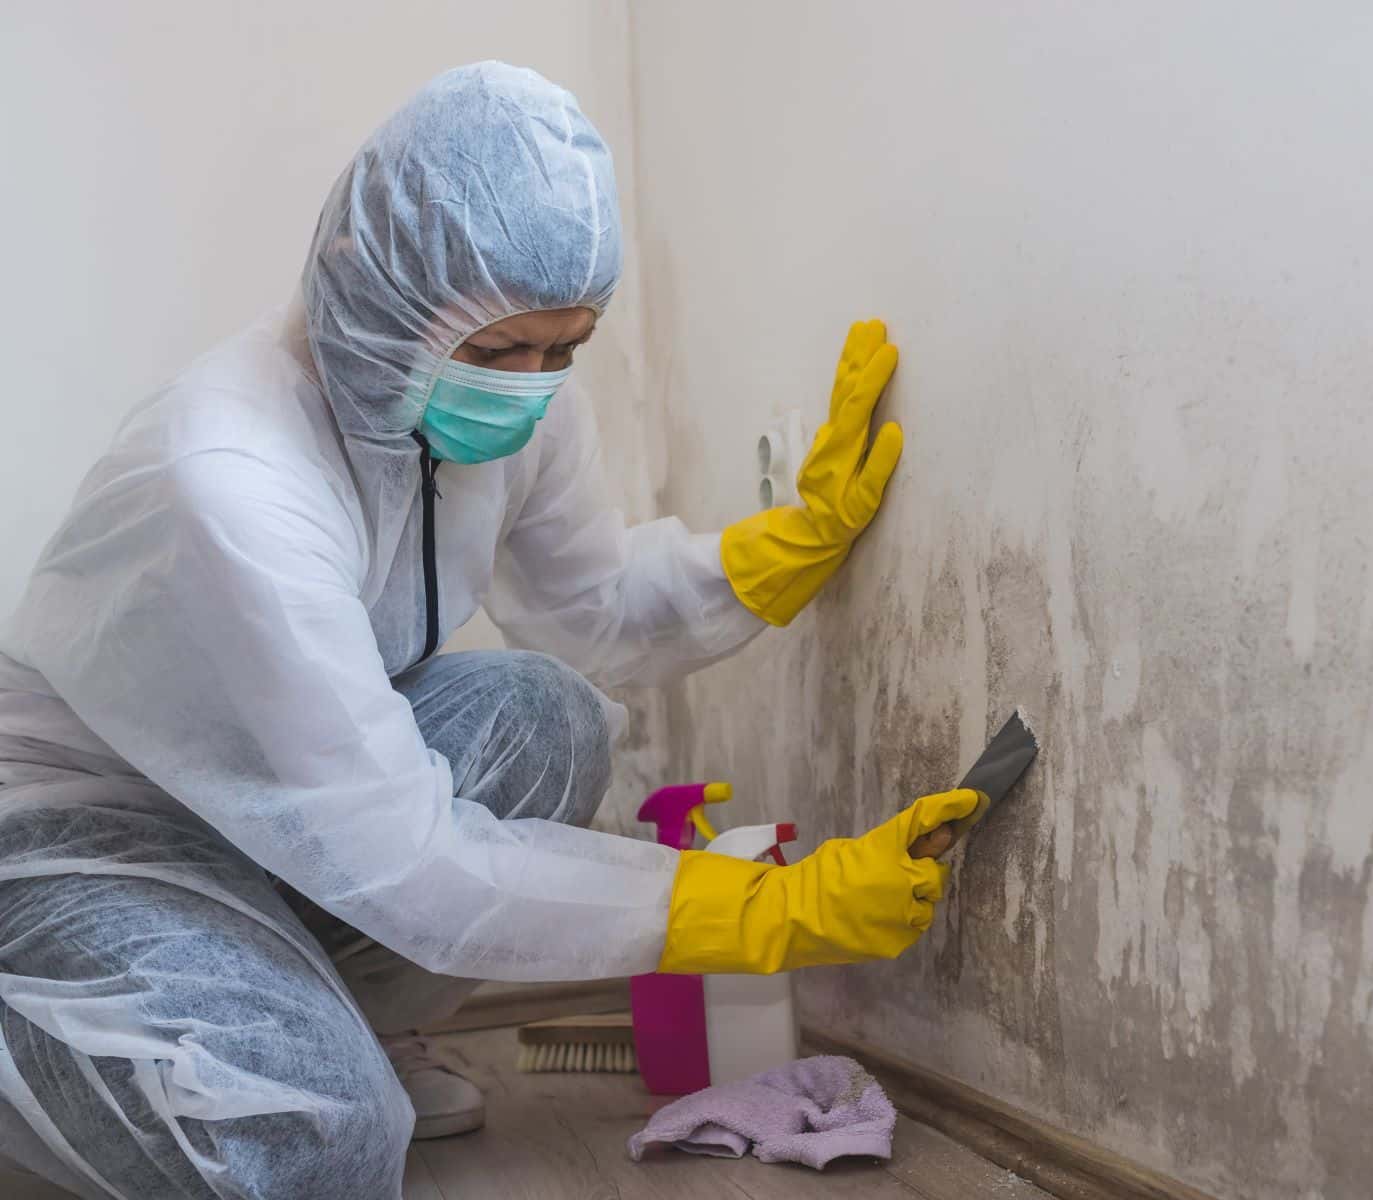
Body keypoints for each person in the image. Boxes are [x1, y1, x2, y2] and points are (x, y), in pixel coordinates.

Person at [0, 62, 976, 1199]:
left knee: (543, 716)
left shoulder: (512, 393)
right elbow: (406, 862)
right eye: (503, 353)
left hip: (275, 817)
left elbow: (592, 605)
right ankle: (97, 1030)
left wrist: (783, 550)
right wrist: (764, 907)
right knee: (318, 1138)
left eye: (566, 348)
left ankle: (320, 1022)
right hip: (91, 829)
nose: (533, 386)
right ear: (376, 292)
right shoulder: (231, 475)